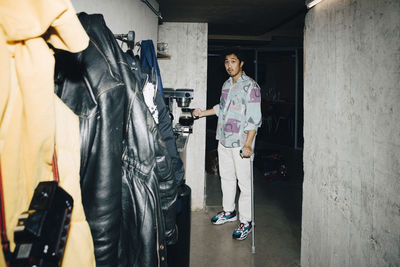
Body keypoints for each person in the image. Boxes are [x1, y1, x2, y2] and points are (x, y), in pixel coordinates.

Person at [193, 50, 262, 240]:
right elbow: (221, 108)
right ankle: (229, 211)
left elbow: (254, 119)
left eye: (233, 61)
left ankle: (246, 221)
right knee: (227, 179)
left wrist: (248, 145)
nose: (229, 65)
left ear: (241, 63)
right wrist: (201, 113)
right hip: (224, 140)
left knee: (245, 185)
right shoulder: (226, 85)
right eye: (226, 62)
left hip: (241, 144)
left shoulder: (251, 86)